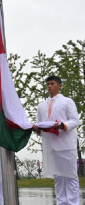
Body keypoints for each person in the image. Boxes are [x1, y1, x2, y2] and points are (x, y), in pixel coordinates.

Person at [34, 76, 82, 205]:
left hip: (66, 143)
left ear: (59, 85)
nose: (49, 86)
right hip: (50, 144)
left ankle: (73, 203)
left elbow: (75, 120)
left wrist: (62, 125)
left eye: (52, 84)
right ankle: (61, 202)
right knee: (58, 177)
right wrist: (36, 129)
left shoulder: (67, 101)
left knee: (70, 176)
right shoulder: (41, 105)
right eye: (47, 84)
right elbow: (40, 124)